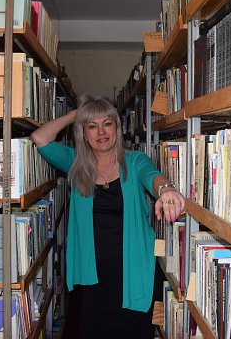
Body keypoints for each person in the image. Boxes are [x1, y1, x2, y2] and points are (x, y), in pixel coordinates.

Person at [30, 94, 185, 339]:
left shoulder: (134, 161)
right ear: (84, 133)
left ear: (117, 128)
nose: (101, 132)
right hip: (91, 274)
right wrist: (78, 113)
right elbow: (40, 138)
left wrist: (166, 190)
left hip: (132, 269)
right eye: (92, 126)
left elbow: (152, 175)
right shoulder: (75, 163)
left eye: (107, 123)